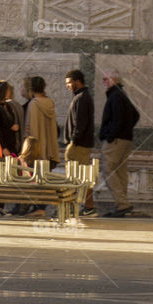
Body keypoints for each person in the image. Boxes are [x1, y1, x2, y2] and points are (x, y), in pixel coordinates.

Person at [99, 70, 140, 217]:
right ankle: (122, 204)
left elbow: (118, 119)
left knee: (107, 168)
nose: (103, 82)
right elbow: (136, 115)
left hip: (115, 140)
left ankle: (122, 204)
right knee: (120, 171)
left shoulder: (115, 96)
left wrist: (111, 135)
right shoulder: (121, 95)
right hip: (125, 139)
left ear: (114, 80)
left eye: (106, 79)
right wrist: (126, 130)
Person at [64, 68, 96, 214]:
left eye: (69, 83)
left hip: (79, 144)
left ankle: (72, 206)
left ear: (78, 81)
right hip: (81, 143)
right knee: (82, 176)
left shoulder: (82, 98)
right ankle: (88, 207)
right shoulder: (82, 96)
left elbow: (80, 123)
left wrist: (73, 141)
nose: (68, 86)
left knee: (74, 176)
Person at [24, 75, 59, 167]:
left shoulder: (33, 104)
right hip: (50, 151)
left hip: (37, 153)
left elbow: (30, 129)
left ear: (31, 89)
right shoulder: (50, 103)